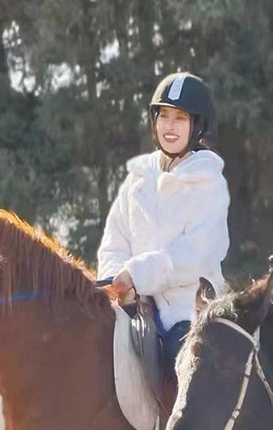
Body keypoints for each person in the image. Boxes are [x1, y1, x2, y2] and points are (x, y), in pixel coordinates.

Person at [97, 72, 229, 383]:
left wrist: (136, 275)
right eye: (164, 116)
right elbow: (114, 240)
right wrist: (117, 283)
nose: (169, 126)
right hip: (135, 306)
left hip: (189, 311)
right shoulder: (137, 180)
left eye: (180, 118)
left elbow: (195, 256)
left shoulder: (209, 183)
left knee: (184, 368)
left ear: (197, 126)